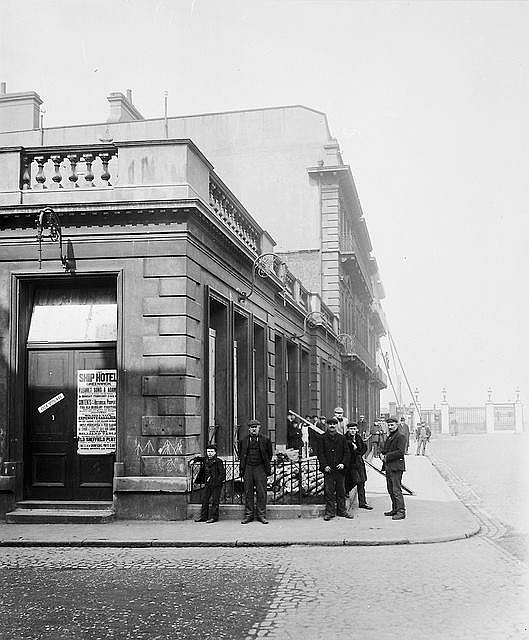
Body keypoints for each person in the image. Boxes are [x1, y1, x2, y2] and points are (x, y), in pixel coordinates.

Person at [239, 419, 273, 524]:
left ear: (259, 428)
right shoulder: (243, 440)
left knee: (261, 492)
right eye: (252, 427)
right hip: (248, 468)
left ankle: (261, 515)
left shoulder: (265, 440)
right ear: (249, 429)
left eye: (256, 427)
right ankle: (248, 515)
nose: (254, 429)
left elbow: (269, 455)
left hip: (260, 468)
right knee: (248, 492)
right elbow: (241, 454)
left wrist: (264, 466)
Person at [316, 418, 352, 521]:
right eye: (330, 424)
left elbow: (347, 453)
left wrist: (343, 464)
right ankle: (330, 512)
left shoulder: (342, 438)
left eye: (334, 424)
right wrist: (324, 465)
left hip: (339, 470)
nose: (332, 426)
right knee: (329, 491)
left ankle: (342, 511)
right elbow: (320, 454)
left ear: (337, 425)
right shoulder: (322, 438)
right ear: (327, 425)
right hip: (329, 470)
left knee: (341, 491)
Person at [380, 417, 407, 520]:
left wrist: (386, 457)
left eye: (392, 425)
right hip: (388, 467)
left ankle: (401, 511)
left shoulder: (401, 437)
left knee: (396, 490)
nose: (390, 427)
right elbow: (385, 449)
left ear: (397, 425)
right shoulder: (390, 437)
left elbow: (400, 452)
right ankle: (395, 509)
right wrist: (381, 454)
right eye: (389, 425)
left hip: (396, 467)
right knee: (390, 489)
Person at [192, 445, 226, 523]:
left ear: (215, 452)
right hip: (208, 483)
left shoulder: (218, 461)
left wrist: (218, 482)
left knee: (215, 500)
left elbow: (222, 473)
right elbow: (198, 458)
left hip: (216, 483)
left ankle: (214, 517)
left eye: (211, 452)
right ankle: (204, 517)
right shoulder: (206, 459)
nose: (209, 453)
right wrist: (193, 460)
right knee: (205, 499)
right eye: (208, 451)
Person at [345, 422, 373, 510]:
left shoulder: (358, 438)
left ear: (356, 430)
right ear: (348, 429)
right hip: (350, 464)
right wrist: (351, 444)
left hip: (359, 463)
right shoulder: (345, 438)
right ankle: (345, 492)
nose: (353, 431)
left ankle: (362, 502)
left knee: (361, 482)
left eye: (354, 429)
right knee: (353, 481)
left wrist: (359, 452)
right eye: (351, 429)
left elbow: (364, 447)